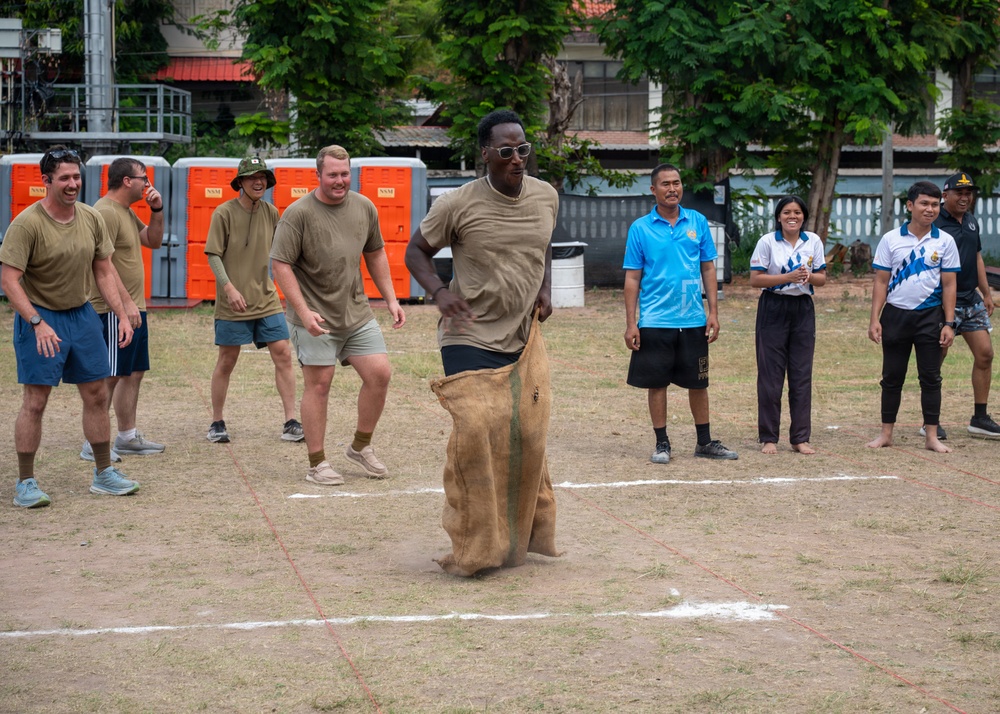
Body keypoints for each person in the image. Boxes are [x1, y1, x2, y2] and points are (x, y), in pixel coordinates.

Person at [405, 108, 561, 576]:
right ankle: (476, 546)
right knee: (476, 431)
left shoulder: (546, 197)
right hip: (466, 333)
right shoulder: (457, 203)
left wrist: (545, 288)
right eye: (507, 151)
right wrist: (440, 291)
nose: (518, 159)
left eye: (524, 149)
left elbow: (544, 245)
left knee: (526, 435)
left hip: (521, 335)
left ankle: (521, 538)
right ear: (486, 154)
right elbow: (416, 251)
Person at [0, 146, 140, 508]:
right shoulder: (27, 223)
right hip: (41, 318)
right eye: (64, 177)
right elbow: (10, 280)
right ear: (46, 181)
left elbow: (104, 270)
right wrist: (36, 322)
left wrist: (122, 314)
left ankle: (104, 473)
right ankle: (25, 483)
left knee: (96, 394)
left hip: (82, 317)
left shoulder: (91, 218)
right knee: (35, 401)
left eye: (76, 176)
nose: (73, 183)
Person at [270, 145, 405, 485]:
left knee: (380, 374)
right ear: (318, 175)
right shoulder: (298, 213)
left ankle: (360, 447)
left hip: (356, 313)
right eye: (333, 175)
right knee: (319, 385)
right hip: (314, 316)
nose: (340, 181)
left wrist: (391, 299)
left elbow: (375, 254)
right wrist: (302, 311)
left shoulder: (364, 207)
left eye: (345, 174)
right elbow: (280, 265)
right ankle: (317, 464)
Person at [623, 163, 738, 464]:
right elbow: (632, 278)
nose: (672, 188)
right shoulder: (640, 228)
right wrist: (631, 322)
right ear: (653, 189)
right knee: (656, 383)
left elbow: (708, 268)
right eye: (665, 184)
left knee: (698, 383)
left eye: (676, 183)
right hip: (654, 321)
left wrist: (713, 311)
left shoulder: (698, 222)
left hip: (693, 320)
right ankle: (662, 443)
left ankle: (704, 442)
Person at [204, 156, 303, 444]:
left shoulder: (272, 212)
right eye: (251, 177)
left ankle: (290, 421)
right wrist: (229, 288)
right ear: (241, 182)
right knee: (227, 360)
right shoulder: (223, 213)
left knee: (283, 353)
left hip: (267, 298)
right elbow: (213, 254)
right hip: (233, 301)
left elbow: (284, 253)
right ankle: (217, 422)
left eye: (262, 177)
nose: (258, 181)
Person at [80, 157, 166, 463]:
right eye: (143, 178)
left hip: (132, 308)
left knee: (133, 372)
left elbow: (153, 241)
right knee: (111, 375)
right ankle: (94, 443)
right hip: (112, 309)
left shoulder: (125, 212)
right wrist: (125, 306)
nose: (147, 183)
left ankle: (127, 437)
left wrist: (157, 211)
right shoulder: (104, 211)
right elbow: (104, 265)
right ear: (127, 181)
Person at [867, 181, 959, 453]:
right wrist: (875, 319)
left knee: (930, 377)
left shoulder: (945, 241)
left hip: (931, 317)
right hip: (896, 316)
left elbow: (950, 285)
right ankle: (886, 433)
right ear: (910, 206)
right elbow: (881, 282)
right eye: (924, 203)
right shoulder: (891, 239)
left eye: (934, 204)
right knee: (892, 377)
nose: (930, 209)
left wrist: (950, 323)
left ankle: (931, 436)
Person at [749, 196, 827, 454]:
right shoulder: (767, 241)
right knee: (770, 376)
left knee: (801, 374)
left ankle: (800, 437)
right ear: (778, 216)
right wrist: (787, 277)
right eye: (786, 212)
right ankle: (769, 437)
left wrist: (809, 277)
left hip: (802, 310)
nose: (792, 217)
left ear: (803, 216)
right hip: (773, 307)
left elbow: (822, 279)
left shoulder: (812, 241)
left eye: (797, 212)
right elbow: (755, 280)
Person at [931, 171, 999, 439]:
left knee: (985, 354)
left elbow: (977, 257)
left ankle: (979, 418)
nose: (964, 197)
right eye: (959, 192)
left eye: (968, 192)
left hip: (970, 300)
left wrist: (986, 292)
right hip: (940, 301)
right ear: (944, 195)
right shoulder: (933, 221)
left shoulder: (971, 221)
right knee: (936, 359)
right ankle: (930, 420)